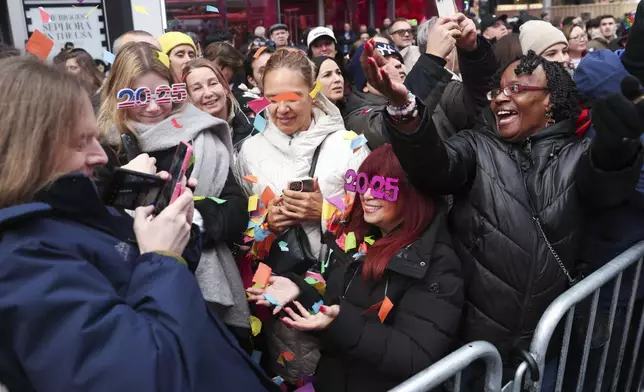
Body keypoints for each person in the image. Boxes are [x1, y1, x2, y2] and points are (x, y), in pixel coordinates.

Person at [363, 44, 644, 384]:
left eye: (517, 88)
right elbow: (433, 167)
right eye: (497, 90)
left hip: (545, 354)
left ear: (550, 101)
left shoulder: (579, 156)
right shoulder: (475, 146)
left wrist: (618, 146)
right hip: (473, 353)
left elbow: (605, 184)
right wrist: (404, 109)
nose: (498, 99)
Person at [0, 56, 278, 392]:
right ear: (27, 151)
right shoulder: (21, 262)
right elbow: (145, 375)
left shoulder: (66, 214)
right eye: (80, 141)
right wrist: (161, 257)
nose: (99, 155)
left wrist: (176, 232)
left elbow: (130, 278)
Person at [248, 144, 464, 392]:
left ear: (413, 192)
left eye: (383, 186)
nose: (368, 194)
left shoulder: (438, 264)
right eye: (362, 182)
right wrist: (299, 293)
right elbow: (336, 314)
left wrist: (338, 322)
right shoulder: (358, 242)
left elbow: (415, 356)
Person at [97, 42, 251, 345]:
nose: (154, 107)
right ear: (119, 95)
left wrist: (190, 220)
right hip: (135, 292)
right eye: (139, 96)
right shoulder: (102, 147)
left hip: (209, 291)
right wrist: (131, 185)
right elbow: (99, 224)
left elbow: (237, 209)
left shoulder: (205, 132)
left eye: (163, 94)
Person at [236, 48, 369, 385]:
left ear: (313, 92)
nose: (281, 108)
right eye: (271, 98)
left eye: (292, 97)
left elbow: (378, 221)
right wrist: (267, 224)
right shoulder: (250, 152)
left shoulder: (347, 144)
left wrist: (326, 210)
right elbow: (247, 235)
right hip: (283, 298)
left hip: (343, 294)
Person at [183, 59, 254, 147]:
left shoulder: (255, 129)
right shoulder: (185, 142)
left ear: (225, 87)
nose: (208, 93)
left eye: (213, 83)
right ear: (189, 98)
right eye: (197, 88)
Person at [64, 48, 104, 113]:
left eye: (73, 68)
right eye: (67, 68)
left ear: (86, 69)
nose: (68, 72)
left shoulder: (103, 90)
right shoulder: (68, 89)